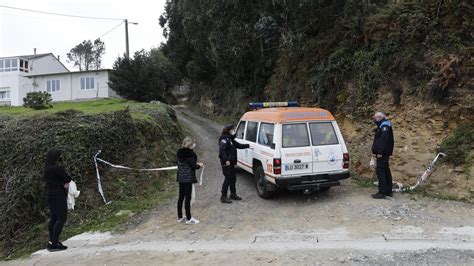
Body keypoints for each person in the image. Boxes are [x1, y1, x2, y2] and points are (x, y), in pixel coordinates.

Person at [44, 149, 71, 252]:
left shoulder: (46, 168)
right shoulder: (57, 168)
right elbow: (68, 178)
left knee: (54, 218)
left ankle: (51, 241)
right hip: (58, 195)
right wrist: (64, 182)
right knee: (61, 218)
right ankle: (54, 243)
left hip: (50, 195)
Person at [219, 123, 251, 203]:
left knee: (233, 178)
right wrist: (226, 160)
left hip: (232, 162)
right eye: (232, 129)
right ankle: (223, 196)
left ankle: (233, 194)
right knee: (228, 178)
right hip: (226, 162)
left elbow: (238, 145)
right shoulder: (224, 139)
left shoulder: (230, 139)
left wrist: (247, 145)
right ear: (229, 130)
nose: (234, 131)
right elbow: (222, 151)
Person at [176, 137, 203, 224]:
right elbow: (194, 167)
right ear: (190, 145)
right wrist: (200, 165)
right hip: (188, 179)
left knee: (181, 197)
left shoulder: (179, 153)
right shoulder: (191, 155)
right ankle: (189, 218)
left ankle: (180, 217)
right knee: (188, 198)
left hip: (180, 178)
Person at [371, 112, 395, 199]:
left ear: (380, 117)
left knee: (380, 171)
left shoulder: (384, 126)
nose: (374, 119)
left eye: (375, 118)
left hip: (383, 153)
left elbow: (383, 140)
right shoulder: (383, 125)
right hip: (384, 153)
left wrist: (380, 152)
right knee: (386, 170)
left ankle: (382, 192)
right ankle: (388, 191)